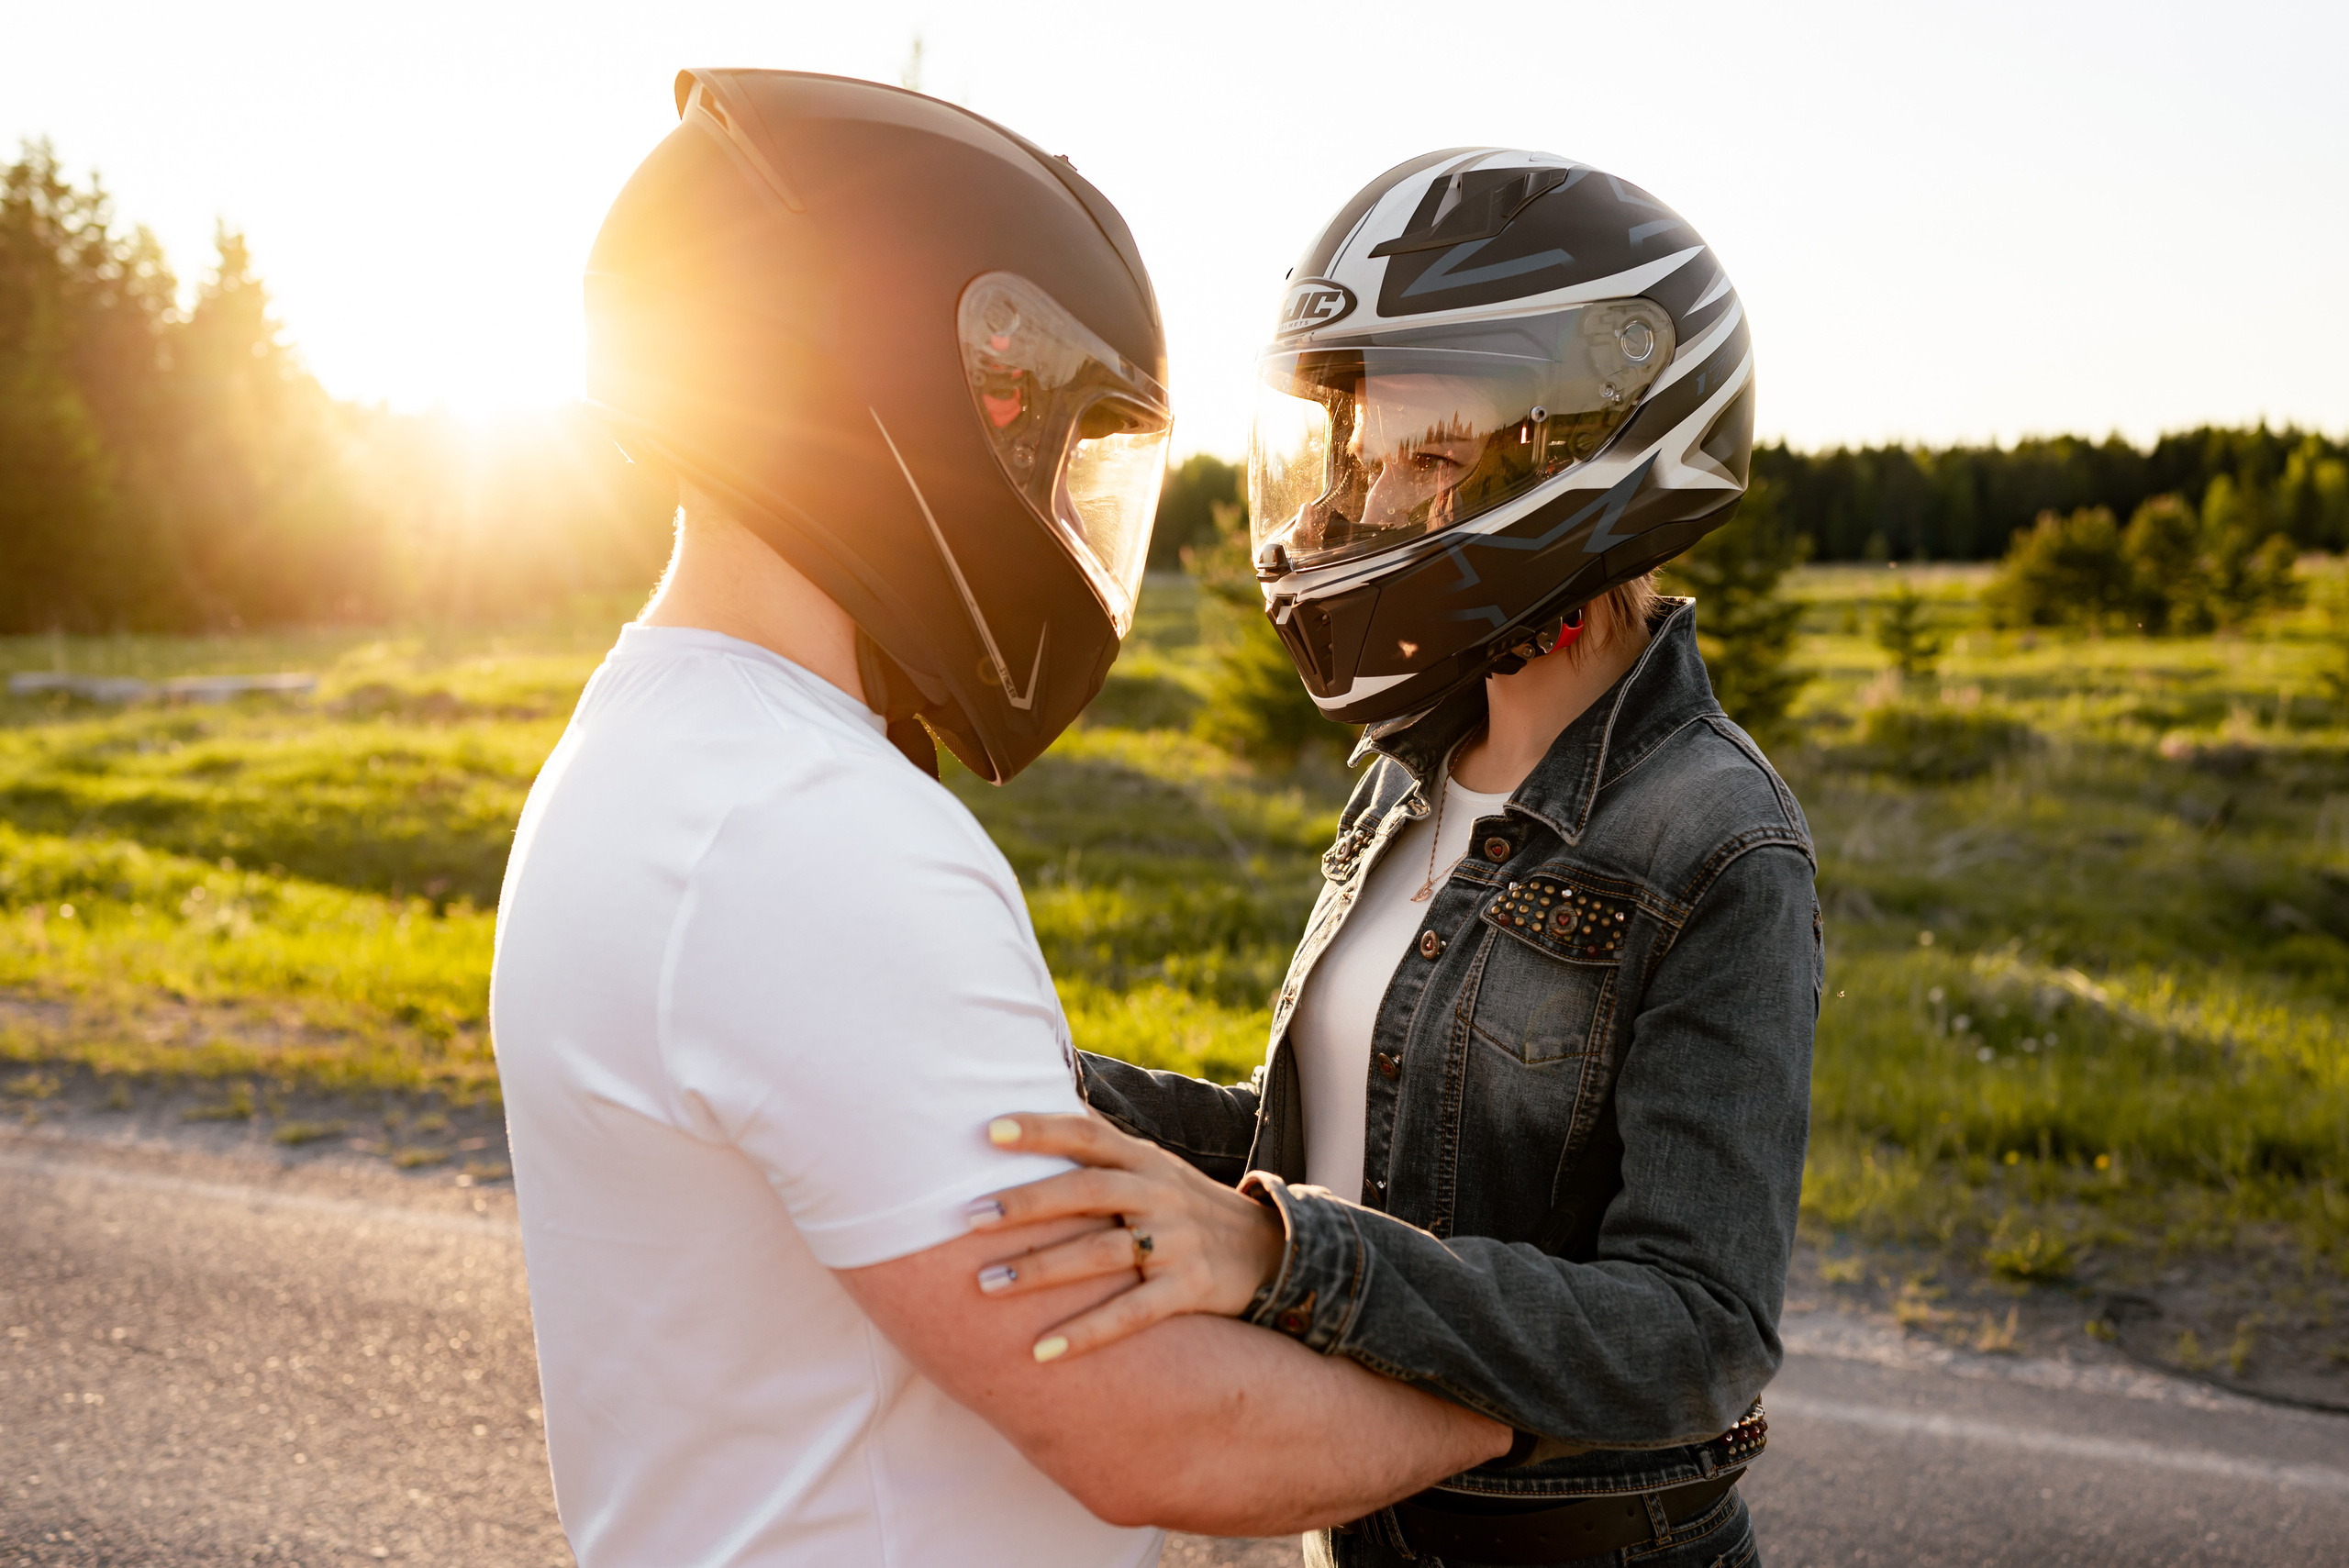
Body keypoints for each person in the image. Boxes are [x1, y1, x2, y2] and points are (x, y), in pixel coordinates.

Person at [489, 76, 1508, 1568]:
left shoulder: (645, 752)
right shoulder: (807, 830)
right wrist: (1558, 1401)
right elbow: (1154, 1425)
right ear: (898, 383)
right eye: (1042, 426)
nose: (1053, 492)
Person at [976, 150, 1819, 1568]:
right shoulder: (1412, 774)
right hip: (1352, 1524)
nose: (1361, 504)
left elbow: (1697, 1333)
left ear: (1589, 446)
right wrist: (1013, 1077)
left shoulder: (1716, 839)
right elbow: (1337, 1145)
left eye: (1428, 453)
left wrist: (1282, 1254)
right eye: (1361, 454)